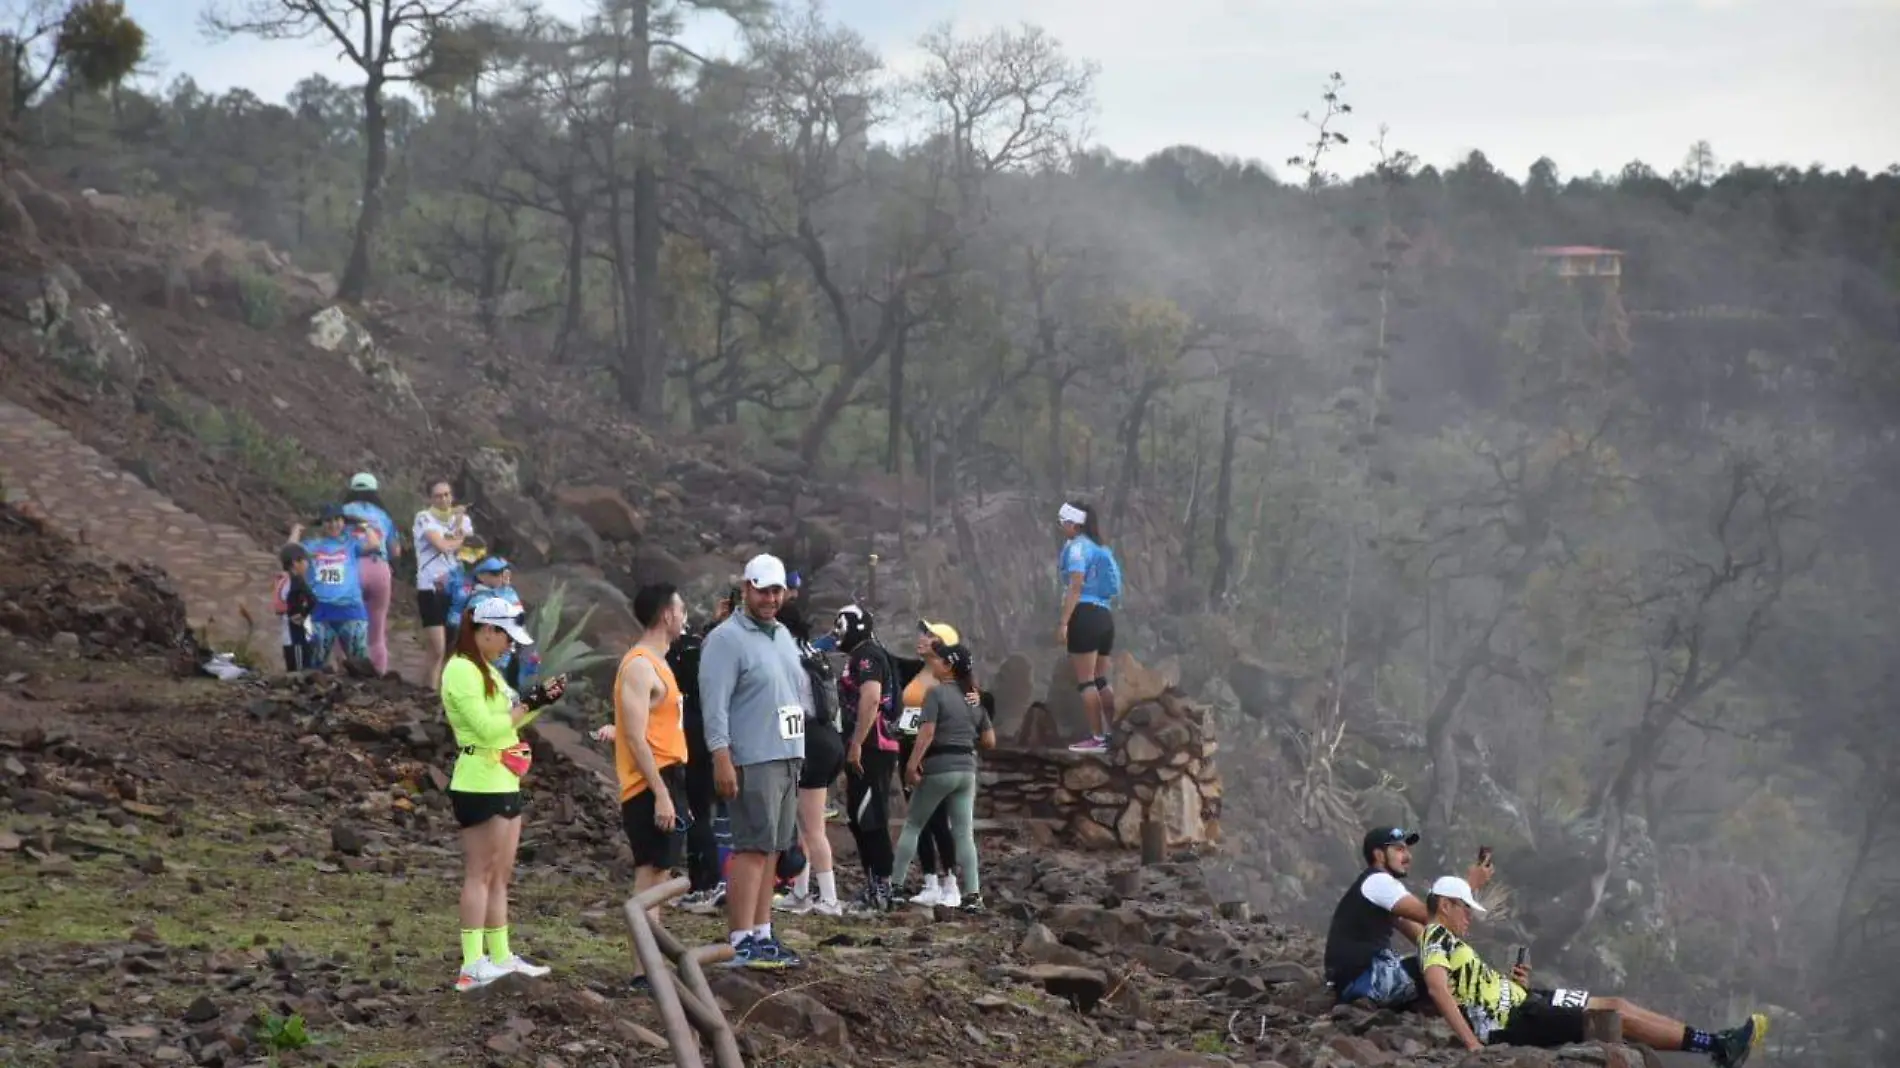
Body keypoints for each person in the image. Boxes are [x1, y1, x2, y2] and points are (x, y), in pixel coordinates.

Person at [1418, 875, 1766, 1065]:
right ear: (1445, 905)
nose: (1469, 917)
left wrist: (1516, 984)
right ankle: (1716, 1045)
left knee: (1617, 1004)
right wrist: (1472, 1045)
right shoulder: (1436, 937)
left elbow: (1470, 989)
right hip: (1514, 1021)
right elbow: (1437, 988)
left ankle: (1718, 1042)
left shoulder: (1449, 939)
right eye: (1465, 909)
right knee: (1617, 1019)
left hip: (1527, 1001)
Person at [442, 597, 562, 991]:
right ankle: (472, 963)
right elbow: (488, 728)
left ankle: (499, 954)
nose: (510, 645)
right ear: (486, 631)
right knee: (480, 873)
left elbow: (511, 719)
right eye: (506, 637)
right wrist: (529, 701)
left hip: (503, 777)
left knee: (501, 875)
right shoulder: (461, 671)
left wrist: (538, 701)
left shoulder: (490, 672)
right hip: (478, 780)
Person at [699, 554, 807, 969]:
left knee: (776, 849)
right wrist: (721, 756)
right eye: (763, 590)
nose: (771, 598)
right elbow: (715, 703)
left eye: (777, 590)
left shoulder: (782, 635)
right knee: (752, 847)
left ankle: (762, 932)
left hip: (786, 756)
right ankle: (740, 937)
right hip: (752, 757)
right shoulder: (726, 639)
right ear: (746, 588)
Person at [614, 584, 692, 993]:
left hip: (666, 777)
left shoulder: (658, 663)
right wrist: (660, 792)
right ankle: (642, 970)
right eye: (681, 608)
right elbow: (635, 737)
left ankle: (652, 966)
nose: (685, 614)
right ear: (666, 615)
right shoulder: (640, 665)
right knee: (650, 877)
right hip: (650, 784)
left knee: (660, 874)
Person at [889, 639, 993, 913]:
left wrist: (912, 764)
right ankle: (973, 895)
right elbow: (990, 740)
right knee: (963, 834)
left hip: (939, 768)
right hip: (967, 770)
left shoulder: (936, 694)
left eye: (939, 660)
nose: (934, 663)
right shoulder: (974, 697)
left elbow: (927, 733)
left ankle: (895, 888)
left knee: (913, 824)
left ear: (949, 666)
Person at [1323, 826, 1464, 1007]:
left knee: (1442, 961)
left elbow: (1425, 937)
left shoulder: (1377, 890)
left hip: (1354, 981)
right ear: (1379, 855)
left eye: (1407, 849)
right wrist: (1471, 884)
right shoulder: (1379, 881)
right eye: (1399, 849)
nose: (1407, 856)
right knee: (1441, 969)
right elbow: (1433, 916)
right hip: (1365, 981)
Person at [833, 603, 900, 913]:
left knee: (871, 817)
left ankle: (883, 888)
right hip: (866, 747)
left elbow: (871, 697)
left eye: (840, 625)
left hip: (874, 747)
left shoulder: (868, 655)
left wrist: (857, 742)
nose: (836, 632)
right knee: (859, 819)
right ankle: (874, 882)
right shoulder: (862, 654)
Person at [775, 632, 845, 916]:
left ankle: (829, 899)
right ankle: (800, 892)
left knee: (813, 828)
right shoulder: (810, 653)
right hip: (829, 738)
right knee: (804, 824)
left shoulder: (787, 658)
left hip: (811, 742)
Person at [898, 620, 965, 907]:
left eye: (929, 635)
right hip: (907, 747)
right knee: (917, 819)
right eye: (922, 633)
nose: (921, 638)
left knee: (938, 820)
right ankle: (929, 882)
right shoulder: (915, 671)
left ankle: (951, 883)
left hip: (933, 753)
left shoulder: (947, 679)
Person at [1055, 501, 1122, 752]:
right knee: (1101, 679)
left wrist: (1064, 622)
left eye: (1064, 523)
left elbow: (1076, 585)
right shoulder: (1099, 547)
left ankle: (1097, 737)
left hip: (1084, 615)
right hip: (1105, 616)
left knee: (1086, 682)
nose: (1062, 528)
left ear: (1074, 524)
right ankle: (1115, 733)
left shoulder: (1077, 549)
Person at [289, 505, 381, 670]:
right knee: (315, 663)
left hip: (351, 608)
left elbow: (374, 545)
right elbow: (289, 553)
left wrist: (365, 527)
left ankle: (363, 693)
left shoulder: (352, 544)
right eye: (328, 521)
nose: (333, 524)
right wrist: (297, 530)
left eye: (337, 520)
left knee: (359, 662)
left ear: (343, 522)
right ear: (322, 524)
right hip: (321, 609)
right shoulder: (312, 545)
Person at [414, 480, 474, 690]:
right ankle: (429, 690)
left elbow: (471, 549)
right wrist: (458, 537)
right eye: (438, 495)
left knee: (445, 649)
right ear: (431, 498)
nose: (444, 499)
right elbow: (441, 544)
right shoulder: (424, 518)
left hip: (455, 587)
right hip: (429, 587)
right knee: (438, 647)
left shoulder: (463, 519)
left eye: (447, 494)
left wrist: (458, 525)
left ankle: (427, 690)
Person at [342, 473, 402, 675]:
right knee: (377, 632)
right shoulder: (385, 516)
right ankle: (378, 674)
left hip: (353, 568)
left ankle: (347, 670)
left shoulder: (342, 512)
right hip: (380, 568)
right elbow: (395, 551)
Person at [273, 544, 316, 671]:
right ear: (295, 563)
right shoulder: (296, 580)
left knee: (294, 670)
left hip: (288, 636)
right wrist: (303, 614)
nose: (307, 565)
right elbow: (312, 600)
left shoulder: (281, 579)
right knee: (301, 672)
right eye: (305, 561)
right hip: (297, 635)